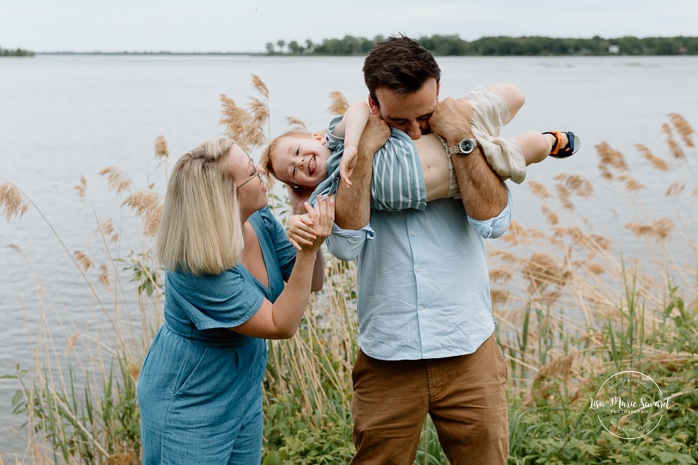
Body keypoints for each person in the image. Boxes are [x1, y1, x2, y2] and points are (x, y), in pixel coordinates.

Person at [327, 35, 515, 464]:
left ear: (439, 93)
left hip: (469, 349)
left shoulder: (465, 134)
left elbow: (493, 222)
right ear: (373, 106)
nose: (415, 131)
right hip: (387, 356)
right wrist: (367, 152)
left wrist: (458, 138)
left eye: (425, 116)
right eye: (400, 122)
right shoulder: (351, 144)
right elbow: (344, 244)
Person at [137, 138, 334, 465]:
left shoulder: (259, 217)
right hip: (190, 399)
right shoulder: (197, 267)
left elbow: (312, 282)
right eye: (251, 173)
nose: (262, 172)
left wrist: (303, 213)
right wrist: (310, 250)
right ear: (225, 199)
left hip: (242, 389)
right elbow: (280, 324)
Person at [261, 92, 578, 211]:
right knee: (532, 145)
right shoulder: (326, 194)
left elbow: (357, 108)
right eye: (294, 171)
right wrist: (297, 197)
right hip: (461, 176)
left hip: (444, 135)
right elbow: (307, 218)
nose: (302, 162)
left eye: (299, 150)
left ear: (315, 137)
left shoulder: (338, 139)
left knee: (514, 96)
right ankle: (554, 141)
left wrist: (353, 146)